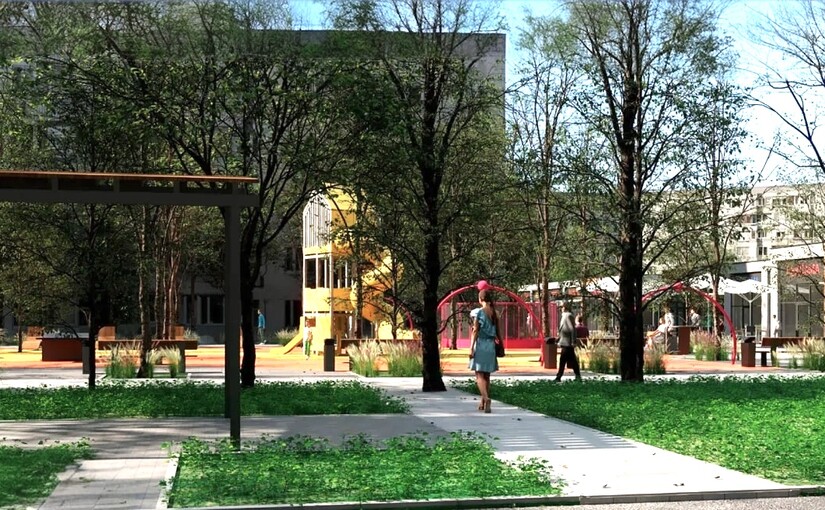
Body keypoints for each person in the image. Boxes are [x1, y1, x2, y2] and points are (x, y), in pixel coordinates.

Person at [468, 289, 501, 413]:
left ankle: (486, 398)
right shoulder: (495, 313)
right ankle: (482, 402)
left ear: (480, 299)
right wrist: (501, 345)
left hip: (481, 344)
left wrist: (471, 348)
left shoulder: (480, 313)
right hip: (491, 345)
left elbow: (475, 331)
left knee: (479, 375)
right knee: (487, 375)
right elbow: (498, 332)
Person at [555, 303, 581, 382]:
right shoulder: (564, 316)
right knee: (572, 360)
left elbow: (572, 329)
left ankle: (559, 377)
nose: (561, 309)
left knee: (563, 360)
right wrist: (559, 338)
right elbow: (563, 329)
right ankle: (577, 376)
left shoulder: (568, 315)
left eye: (562, 307)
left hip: (568, 343)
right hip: (565, 342)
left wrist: (573, 341)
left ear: (565, 308)